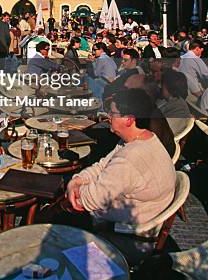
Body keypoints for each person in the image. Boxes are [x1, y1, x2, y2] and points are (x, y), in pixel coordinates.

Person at [64, 89, 176, 228]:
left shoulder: (130, 158)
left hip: (124, 228)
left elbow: (91, 200)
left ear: (129, 119)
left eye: (113, 113)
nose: (108, 116)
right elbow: (102, 166)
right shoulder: (144, 137)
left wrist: (72, 189)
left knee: (50, 216)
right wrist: (77, 180)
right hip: (132, 211)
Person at [157, 69, 192, 137]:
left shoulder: (179, 109)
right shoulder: (169, 101)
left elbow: (163, 133)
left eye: (162, 84)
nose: (160, 86)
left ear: (169, 87)